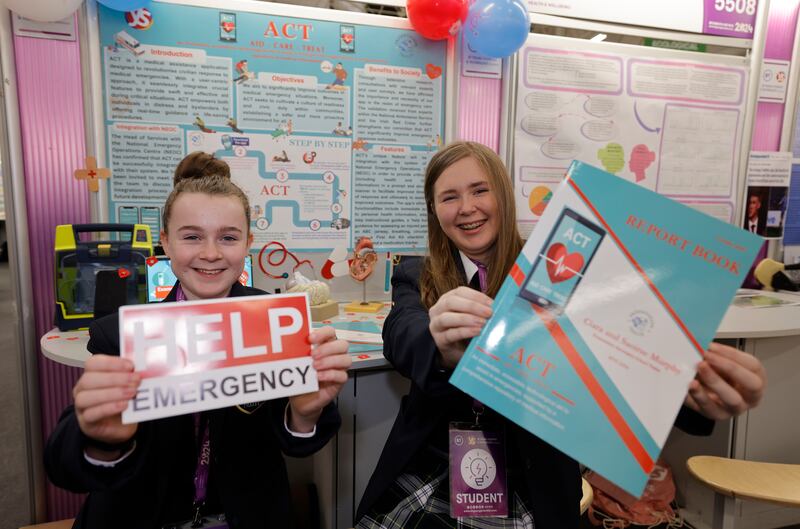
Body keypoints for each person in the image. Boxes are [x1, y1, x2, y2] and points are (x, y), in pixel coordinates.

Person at [356, 141, 766, 529]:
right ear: (433, 210)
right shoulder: (417, 274)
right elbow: (402, 335)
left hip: (532, 478)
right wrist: (440, 346)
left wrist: (693, 396)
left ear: (503, 195)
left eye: (480, 190)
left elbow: (620, 356)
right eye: (449, 197)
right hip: (434, 465)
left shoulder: (563, 266)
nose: (467, 208)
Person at [45, 153, 352, 529]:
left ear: (248, 243)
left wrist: (303, 416)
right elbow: (62, 465)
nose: (210, 253)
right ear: (166, 244)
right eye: (191, 236)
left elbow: (300, 439)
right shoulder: (120, 336)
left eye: (228, 237)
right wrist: (102, 443)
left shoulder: (276, 321)